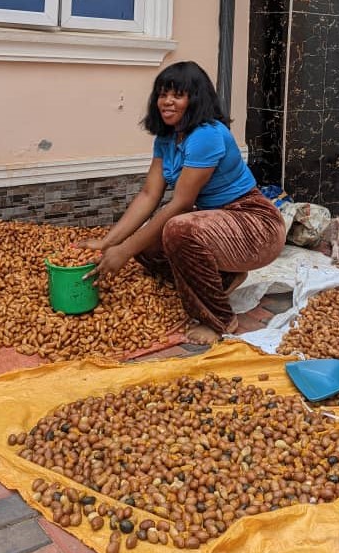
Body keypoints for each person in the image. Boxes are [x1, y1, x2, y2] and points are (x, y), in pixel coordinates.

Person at [80, 61, 286, 345]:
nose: (167, 101)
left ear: (195, 99)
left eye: (177, 95)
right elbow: (149, 195)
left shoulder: (206, 135)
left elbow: (181, 203)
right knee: (147, 243)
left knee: (177, 229)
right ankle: (224, 279)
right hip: (216, 222)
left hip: (254, 224)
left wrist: (124, 251)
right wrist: (109, 243)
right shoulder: (166, 138)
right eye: (162, 94)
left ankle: (218, 319)